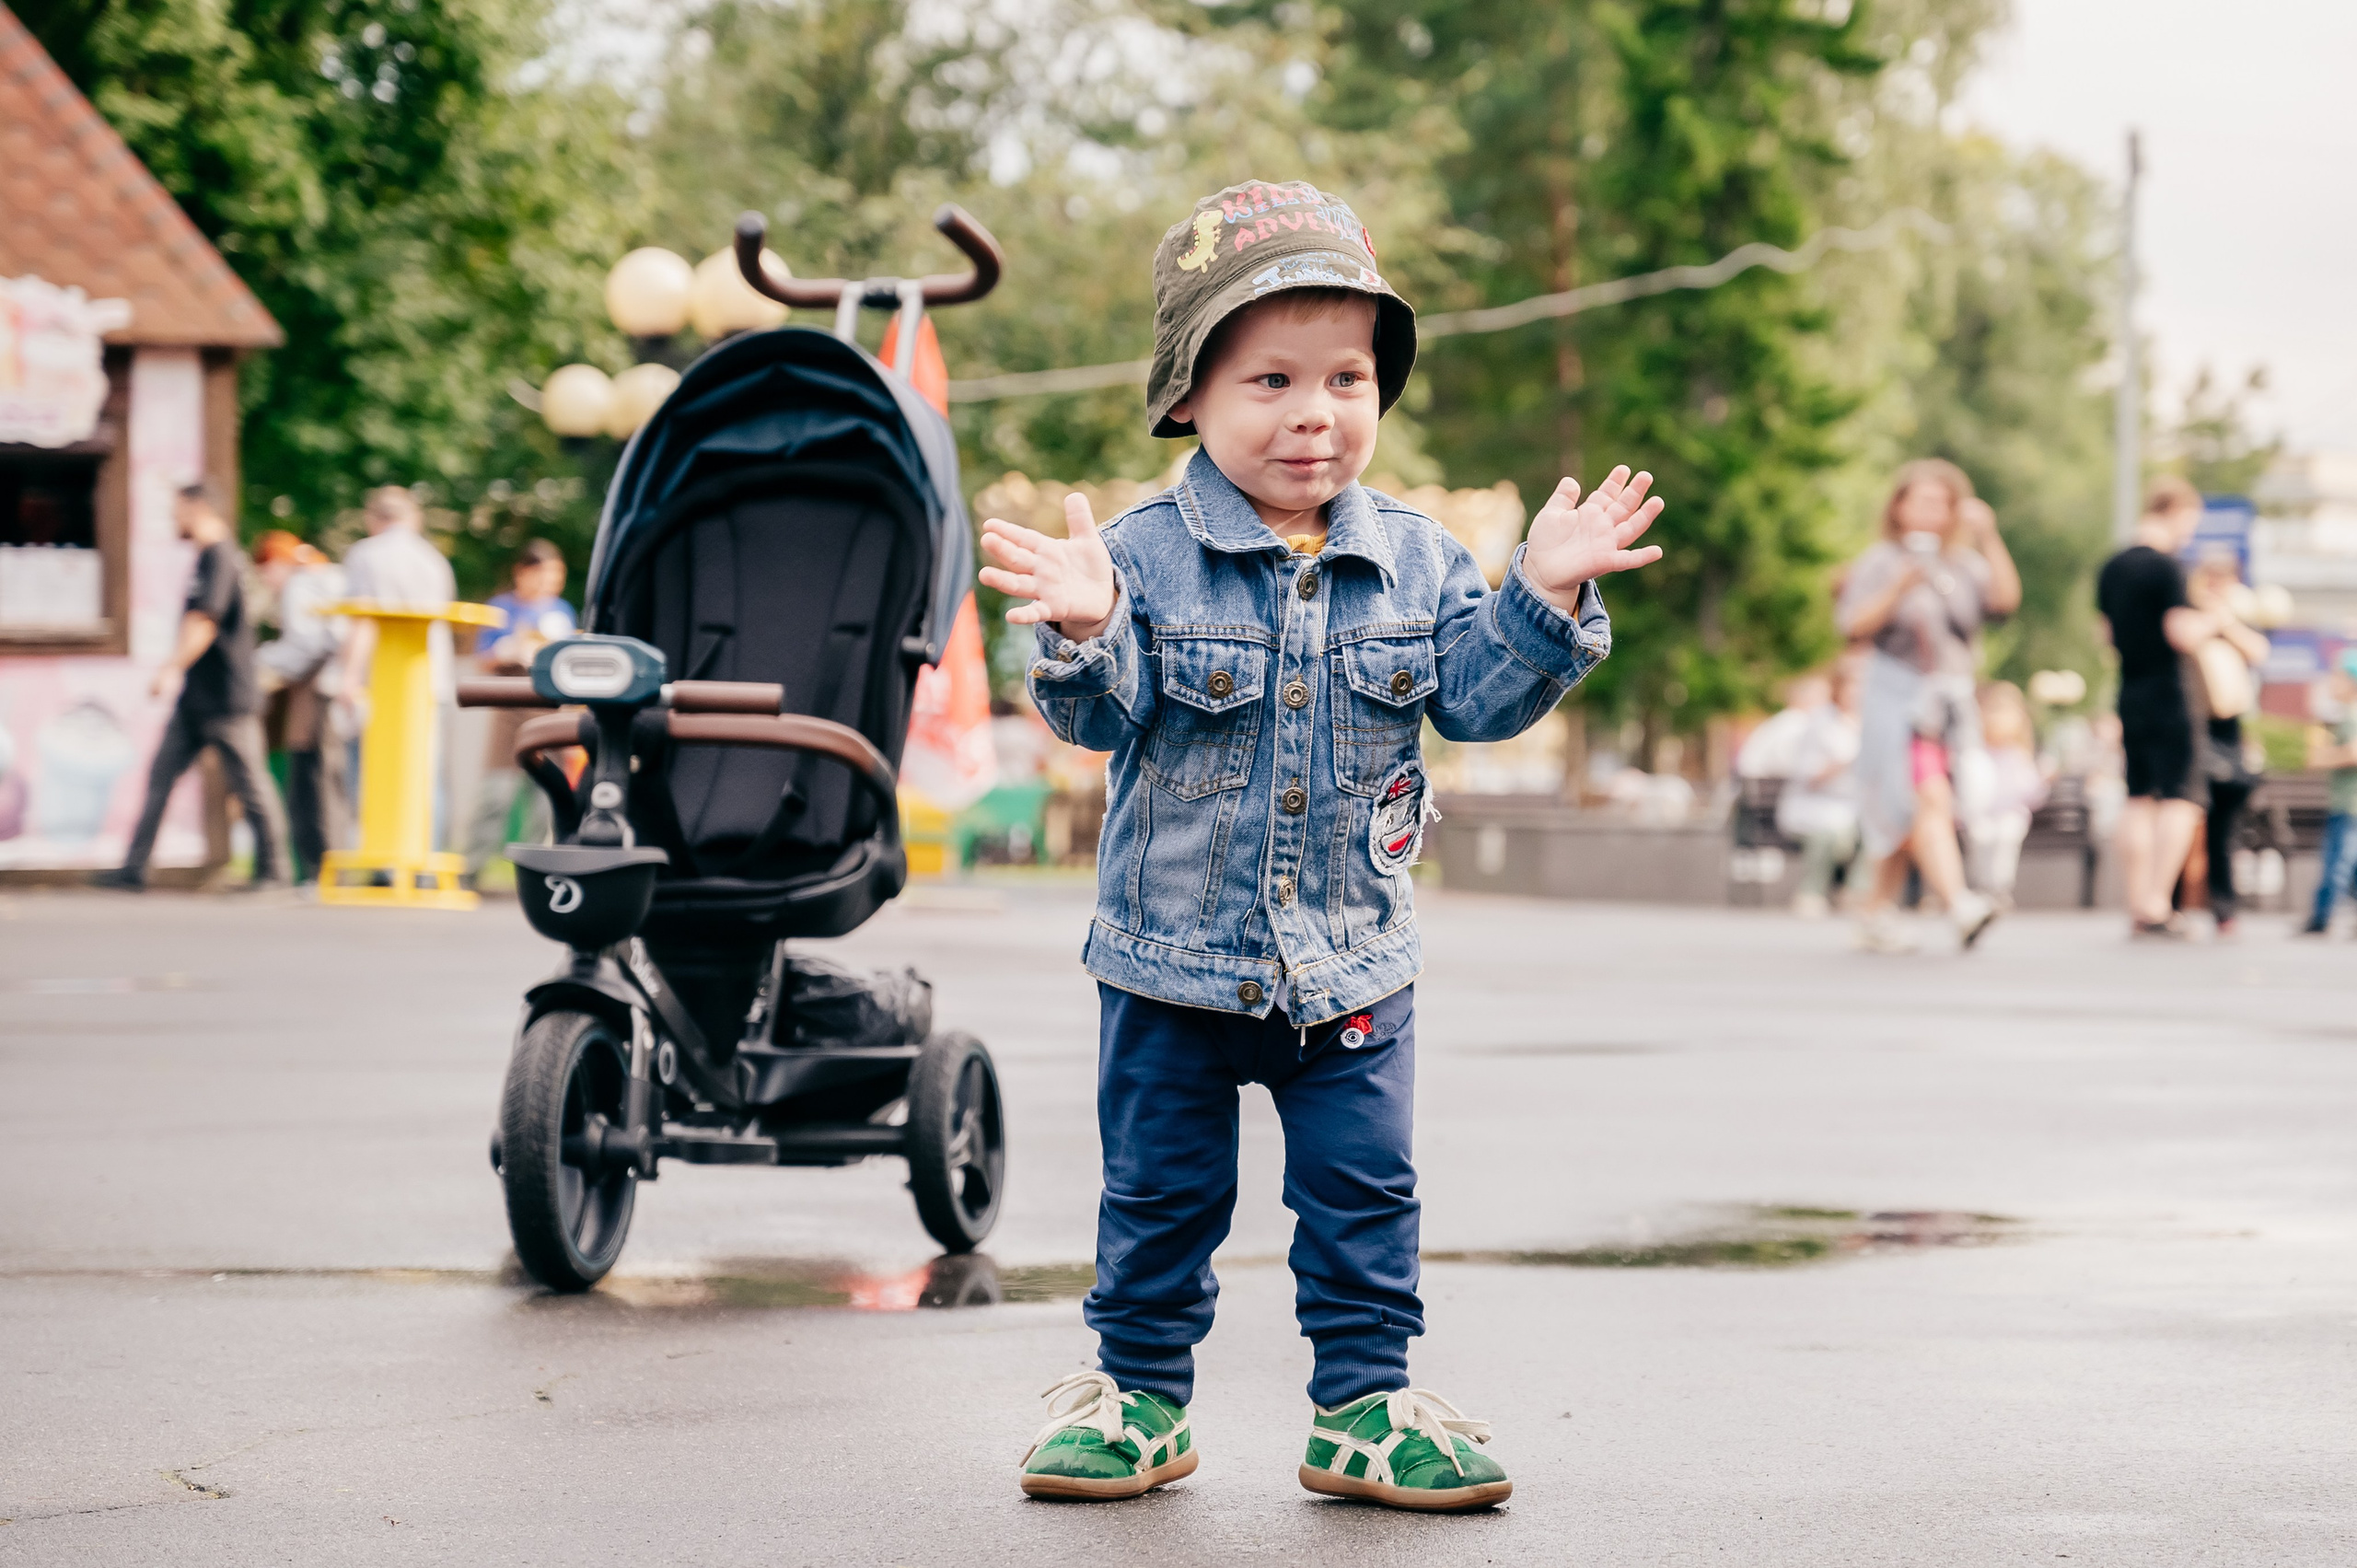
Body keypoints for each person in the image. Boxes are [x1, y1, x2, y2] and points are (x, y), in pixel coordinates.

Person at [981, 180, 1664, 1512]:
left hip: (1352, 962)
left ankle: (1362, 1403)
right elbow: (1097, 711)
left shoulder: (1418, 557)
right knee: (1160, 1193)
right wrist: (1080, 629)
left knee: (1365, 1194)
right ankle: (1134, 1398)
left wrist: (1543, 591)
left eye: (1347, 377)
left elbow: (1474, 695)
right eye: (1273, 380)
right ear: (1189, 396)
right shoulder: (1135, 556)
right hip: (1171, 960)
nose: (1316, 412)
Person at [1837, 459, 2020, 952]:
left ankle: (1875, 911)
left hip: (1949, 706)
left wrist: (1988, 536)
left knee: (1906, 806)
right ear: (1898, 507)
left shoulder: (1963, 564)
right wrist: (1899, 586)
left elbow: (2004, 602)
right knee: (1927, 795)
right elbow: (1852, 626)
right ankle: (1960, 905)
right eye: (1921, 500)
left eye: (1943, 503)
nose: (1932, 512)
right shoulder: (1880, 560)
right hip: (1898, 702)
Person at [95, 482, 291, 890]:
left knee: (250, 783)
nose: (175, 519)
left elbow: (204, 621)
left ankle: (275, 872)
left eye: (180, 510)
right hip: (197, 697)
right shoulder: (209, 557)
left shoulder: (219, 557)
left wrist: (171, 667)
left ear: (199, 509)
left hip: (227, 697)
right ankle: (133, 868)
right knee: (160, 777)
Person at [2096, 477, 2222, 937]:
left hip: (2130, 689)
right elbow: (2181, 634)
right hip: (2171, 692)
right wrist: (2215, 620)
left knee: (2137, 795)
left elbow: (2106, 636)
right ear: (2176, 510)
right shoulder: (2169, 568)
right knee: (2180, 798)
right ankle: (2156, 901)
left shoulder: (2111, 567)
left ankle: (2136, 899)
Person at [338, 485, 457, 839]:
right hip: (429, 681)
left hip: (382, 682)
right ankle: (424, 857)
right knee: (425, 773)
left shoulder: (366, 554)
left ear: (372, 518)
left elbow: (363, 620)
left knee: (374, 771)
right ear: (414, 518)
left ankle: (382, 860)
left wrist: (349, 677)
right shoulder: (434, 559)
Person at [465, 540, 576, 877]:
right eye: (542, 575)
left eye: (555, 577)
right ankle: (471, 869)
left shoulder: (561, 612)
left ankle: (536, 871)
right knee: (495, 795)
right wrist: (509, 648)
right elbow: (482, 660)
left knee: (546, 799)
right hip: (508, 712)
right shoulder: (501, 608)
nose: (548, 584)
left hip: (550, 712)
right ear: (523, 573)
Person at [253, 531, 351, 884]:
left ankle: (319, 870)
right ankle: (331, 867)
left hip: (316, 692)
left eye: (266, 571)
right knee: (327, 779)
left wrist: (261, 662)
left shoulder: (300, 585)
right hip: (331, 690)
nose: (267, 581)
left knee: (312, 779)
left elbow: (305, 645)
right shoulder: (326, 576)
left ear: (277, 564)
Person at [2179, 551, 2269, 935]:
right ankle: (2171, 903)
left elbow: (2258, 652)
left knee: (2222, 825)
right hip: (2192, 725)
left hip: (2228, 729)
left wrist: (2225, 620)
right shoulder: (2187, 612)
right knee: (2182, 816)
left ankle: (2223, 905)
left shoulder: (2237, 621)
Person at [1968, 680, 2047, 907]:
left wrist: (2042, 781)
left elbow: (2032, 792)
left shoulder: (2018, 756)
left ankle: (2000, 886)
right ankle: (1983, 884)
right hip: (1981, 814)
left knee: (2007, 833)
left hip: (2010, 814)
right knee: (1980, 834)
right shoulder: (1978, 753)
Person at [2300, 652, 2357, 935]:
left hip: (2350, 806)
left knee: (2337, 863)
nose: (2332, 683)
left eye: (2337, 677)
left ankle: (2321, 917)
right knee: (2351, 867)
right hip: (2346, 804)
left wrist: (2322, 757)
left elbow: (2354, 752)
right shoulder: (2345, 715)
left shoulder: (2353, 714)